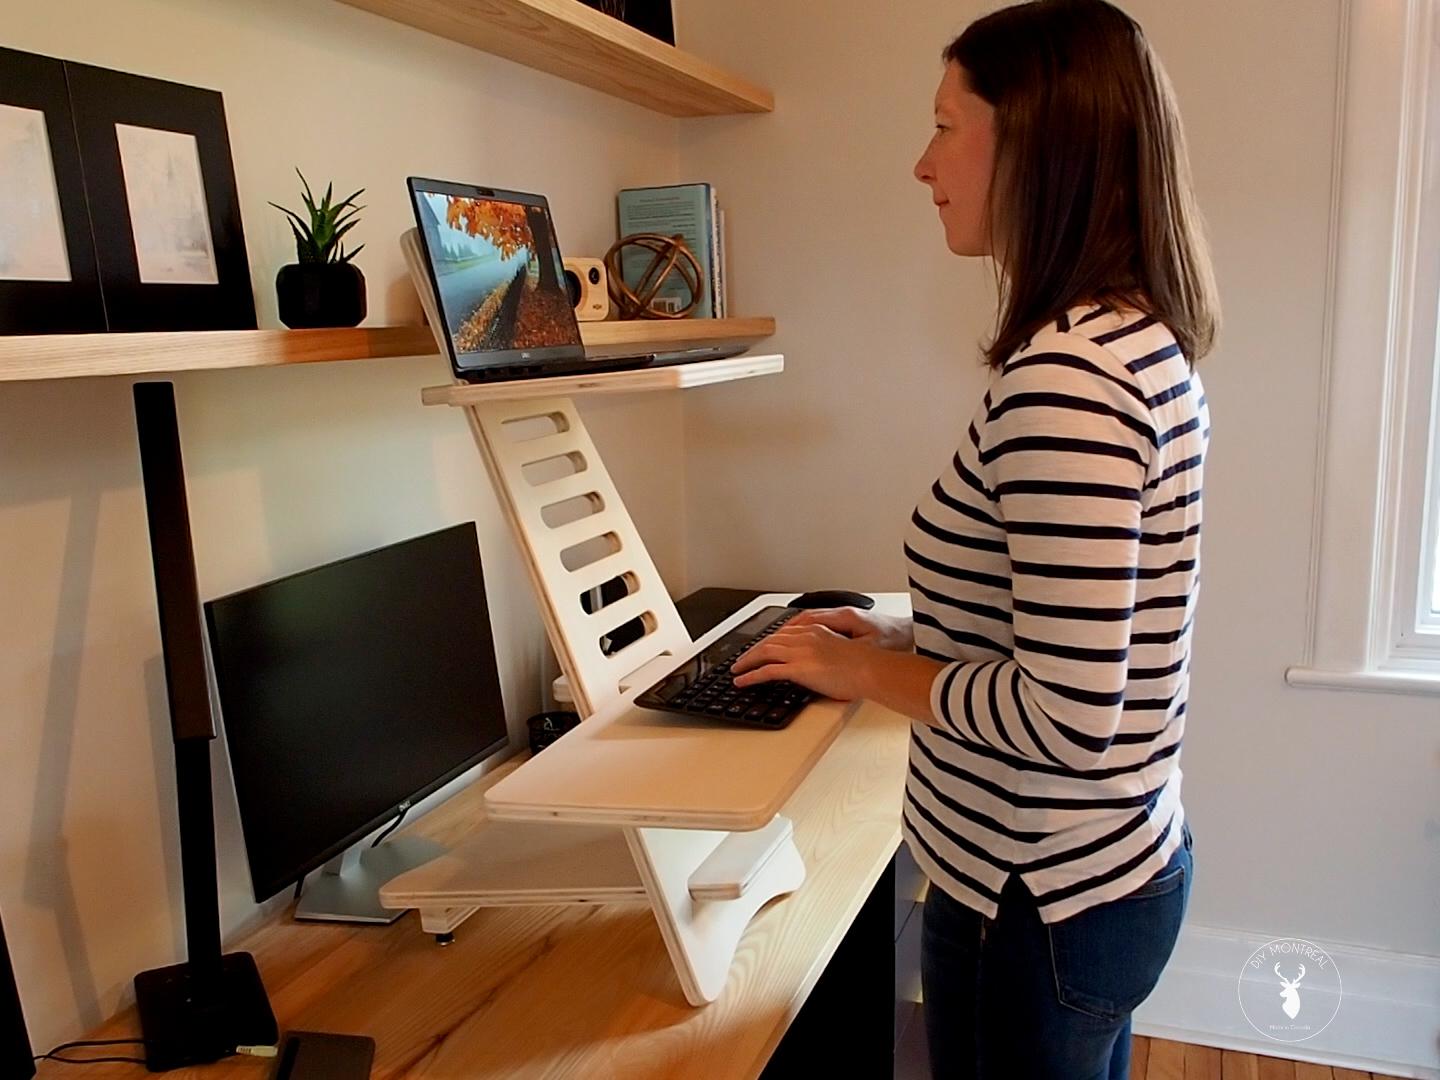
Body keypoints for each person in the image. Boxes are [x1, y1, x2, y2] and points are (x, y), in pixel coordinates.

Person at [730, 1, 1217, 1076]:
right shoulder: (1128, 340)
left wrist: (857, 670)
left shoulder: (1069, 382)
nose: (921, 163)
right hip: (1095, 874)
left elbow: (1067, 712)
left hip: (1037, 897)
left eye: (946, 125)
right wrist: (902, 635)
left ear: (1034, 143)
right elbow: (1070, 617)